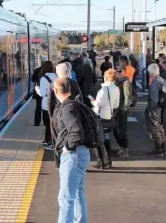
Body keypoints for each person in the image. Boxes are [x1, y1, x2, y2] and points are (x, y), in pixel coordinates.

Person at [53, 77, 90, 223]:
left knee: (65, 198)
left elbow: (76, 132)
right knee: (78, 193)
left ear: (56, 90)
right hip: (81, 153)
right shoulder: (75, 104)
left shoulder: (67, 108)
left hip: (73, 155)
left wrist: (67, 149)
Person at [48, 63, 83, 153]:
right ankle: (68, 155)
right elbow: (80, 99)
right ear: (67, 71)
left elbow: (50, 102)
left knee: (57, 140)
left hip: (56, 115)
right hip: (71, 113)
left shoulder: (54, 84)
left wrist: (51, 116)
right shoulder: (73, 83)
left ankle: (58, 161)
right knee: (70, 136)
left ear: (56, 72)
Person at [91, 69, 120, 169]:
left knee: (98, 139)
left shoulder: (103, 90)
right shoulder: (116, 89)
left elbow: (99, 104)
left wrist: (93, 101)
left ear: (106, 77)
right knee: (106, 137)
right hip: (109, 117)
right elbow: (116, 104)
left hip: (100, 116)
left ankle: (101, 161)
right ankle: (108, 160)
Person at [145, 63, 166, 157]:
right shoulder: (162, 80)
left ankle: (158, 150)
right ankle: (163, 149)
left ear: (150, 74)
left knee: (155, 129)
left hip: (155, 109)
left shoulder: (154, 84)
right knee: (160, 128)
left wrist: (149, 110)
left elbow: (154, 100)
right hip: (162, 108)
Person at [35, 61, 57, 149]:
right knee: (50, 123)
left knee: (47, 123)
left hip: (46, 104)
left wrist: (37, 89)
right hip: (55, 103)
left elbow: (43, 93)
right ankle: (47, 139)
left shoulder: (44, 78)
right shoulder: (56, 76)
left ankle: (50, 142)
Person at [113, 66, 133, 157]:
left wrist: (124, 109)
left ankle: (124, 150)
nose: (118, 72)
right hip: (117, 110)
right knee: (116, 130)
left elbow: (128, 97)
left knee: (122, 131)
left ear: (124, 72)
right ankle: (120, 147)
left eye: (120, 71)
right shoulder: (118, 81)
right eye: (117, 71)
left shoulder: (126, 82)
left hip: (121, 110)